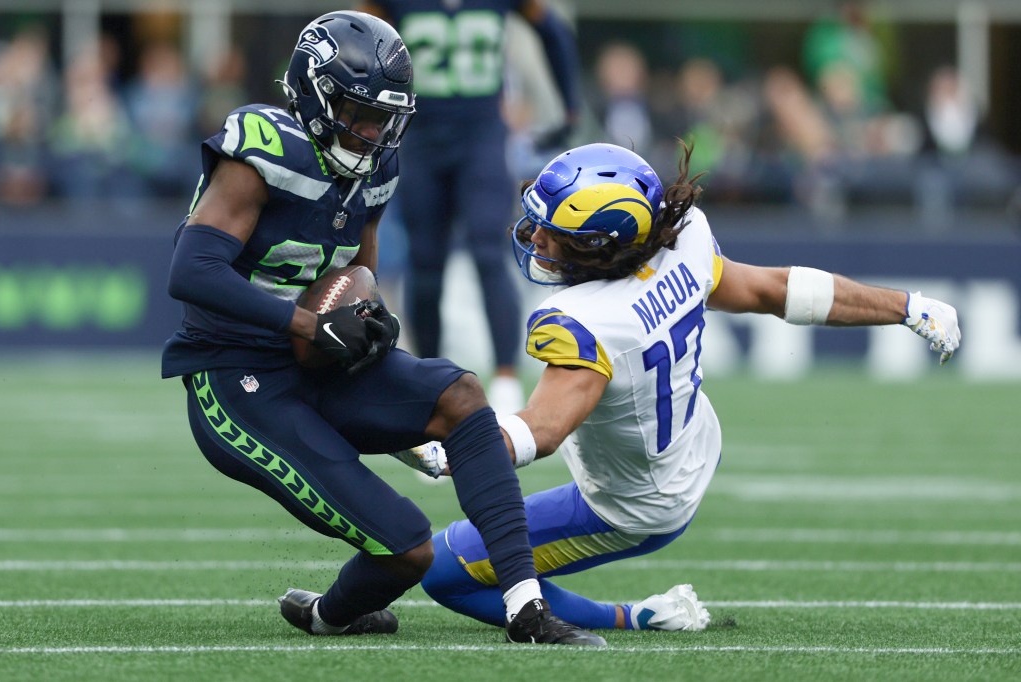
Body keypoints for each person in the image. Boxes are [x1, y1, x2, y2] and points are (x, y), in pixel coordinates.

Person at [161, 11, 603, 646]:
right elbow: (192, 270)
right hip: (235, 377)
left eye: (384, 117)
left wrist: (367, 326)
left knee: (461, 396)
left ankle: (526, 608)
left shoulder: (377, 165)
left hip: (312, 360)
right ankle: (328, 615)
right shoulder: (262, 148)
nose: (371, 132)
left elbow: (359, 272)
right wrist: (308, 323)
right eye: (356, 112)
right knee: (407, 547)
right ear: (314, 95)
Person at [396, 142, 960, 631]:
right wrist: (905, 305)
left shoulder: (582, 321)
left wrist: (451, 451)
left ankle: (635, 615)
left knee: (446, 574)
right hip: (692, 445)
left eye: (556, 233)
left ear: (599, 248)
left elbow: (541, 430)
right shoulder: (679, 243)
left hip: (632, 504)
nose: (537, 238)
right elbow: (775, 290)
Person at [358, 0, 582, 413]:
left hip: (482, 137)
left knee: (486, 248)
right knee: (426, 263)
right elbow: (358, 39)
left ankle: (506, 377)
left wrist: (569, 103)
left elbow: (551, 30)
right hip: (420, 136)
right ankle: (428, 380)